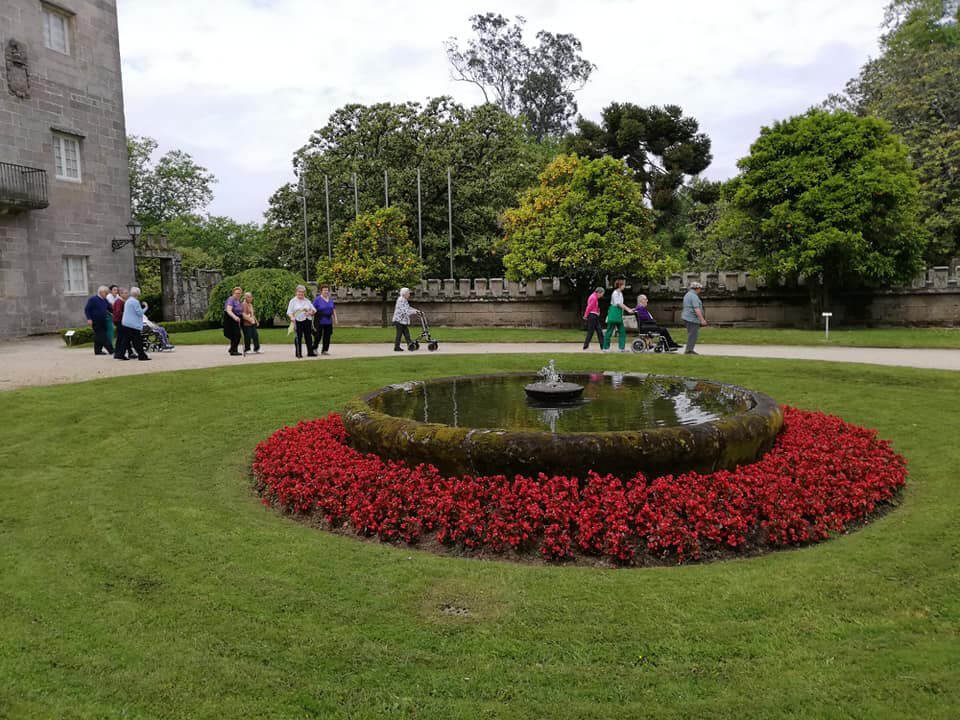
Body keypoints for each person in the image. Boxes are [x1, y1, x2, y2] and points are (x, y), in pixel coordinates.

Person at [602, 279, 633, 352]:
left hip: (618, 314)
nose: (624, 286)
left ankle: (621, 348)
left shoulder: (620, 293)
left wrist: (627, 309)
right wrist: (628, 309)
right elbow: (619, 304)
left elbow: (621, 304)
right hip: (614, 314)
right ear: (620, 285)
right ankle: (606, 348)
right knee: (609, 331)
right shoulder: (615, 293)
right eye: (623, 285)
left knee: (622, 331)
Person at [119, 286, 149, 361]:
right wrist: (146, 307)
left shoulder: (128, 301)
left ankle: (120, 354)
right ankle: (142, 356)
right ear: (137, 294)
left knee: (125, 340)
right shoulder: (135, 302)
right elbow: (139, 313)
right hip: (133, 325)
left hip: (126, 323)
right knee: (137, 340)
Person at [286, 285, 316, 358]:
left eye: (302, 292)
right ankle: (298, 353)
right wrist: (292, 317)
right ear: (296, 292)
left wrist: (310, 313)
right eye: (299, 292)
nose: (301, 293)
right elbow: (289, 312)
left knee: (308, 337)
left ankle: (310, 352)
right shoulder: (293, 301)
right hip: (297, 321)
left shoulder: (307, 301)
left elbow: (314, 310)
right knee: (298, 337)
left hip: (307, 320)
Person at [84, 285, 114, 356]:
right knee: (103, 335)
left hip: (104, 320)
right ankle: (111, 350)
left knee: (98, 336)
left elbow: (110, 308)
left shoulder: (105, 300)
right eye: (106, 293)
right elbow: (87, 309)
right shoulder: (93, 299)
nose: (107, 294)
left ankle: (98, 351)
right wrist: (89, 318)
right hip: (96, 321)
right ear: (101, 292)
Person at [682, 281, 708, 355]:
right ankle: (689, 350)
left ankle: (689, 350)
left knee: (691, 334)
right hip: (692, 318)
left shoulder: (687, 295)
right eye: (700, 289)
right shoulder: (693, 296)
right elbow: (696, 309)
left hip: (688, 318)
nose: (700, 290)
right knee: (693, 335)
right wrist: (702, 320)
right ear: (697, 288)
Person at [311, 285, 337, 355]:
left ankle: (324, 350)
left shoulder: (331, 299)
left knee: (327, 336)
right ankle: (314, 348)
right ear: (321, 291)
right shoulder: (317, 299)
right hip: (319, 320)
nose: (326, 291)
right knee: (318, 336)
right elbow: (313, 309)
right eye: (324, 290)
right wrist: (309, 314)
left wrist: (335, 318)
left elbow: (333, 309)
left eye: (327, 290)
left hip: (328, 320)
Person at [392, 287, 419, 352]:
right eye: (408, 293)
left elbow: (408, 307)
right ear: (404, 294)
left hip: (402, 320)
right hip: (399, 320)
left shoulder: (404, 300)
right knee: (399, 334)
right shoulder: (401, 300)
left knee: (406, 333)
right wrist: (415, 312)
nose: (409, 294)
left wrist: (416, 311)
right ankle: (397, 347)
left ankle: (410, 345)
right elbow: (405, 311)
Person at [112, 288, 135, 359]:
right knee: (122, 338)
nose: (127, 294)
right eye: (125, 293)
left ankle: (128, 352)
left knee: (123, 337)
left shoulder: (122, 301)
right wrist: (127, 314)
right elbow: (118, 312)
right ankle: (119, 354)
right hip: (120, 321)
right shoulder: (119, 301)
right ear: (121, 294)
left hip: (120, 321)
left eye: (127, 293)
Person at [222, 286, 244, 356]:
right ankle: (233, 350)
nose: (238, 294)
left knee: (236, 335)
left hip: (236, 319)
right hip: (230, 319)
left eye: (240, 293)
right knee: (236, 335)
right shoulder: (231, 299)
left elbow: (240, 311)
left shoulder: (238, 301)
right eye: (237, 293)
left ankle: (233, 349)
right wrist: (235, 317)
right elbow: (228, 310)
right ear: (233, 293)